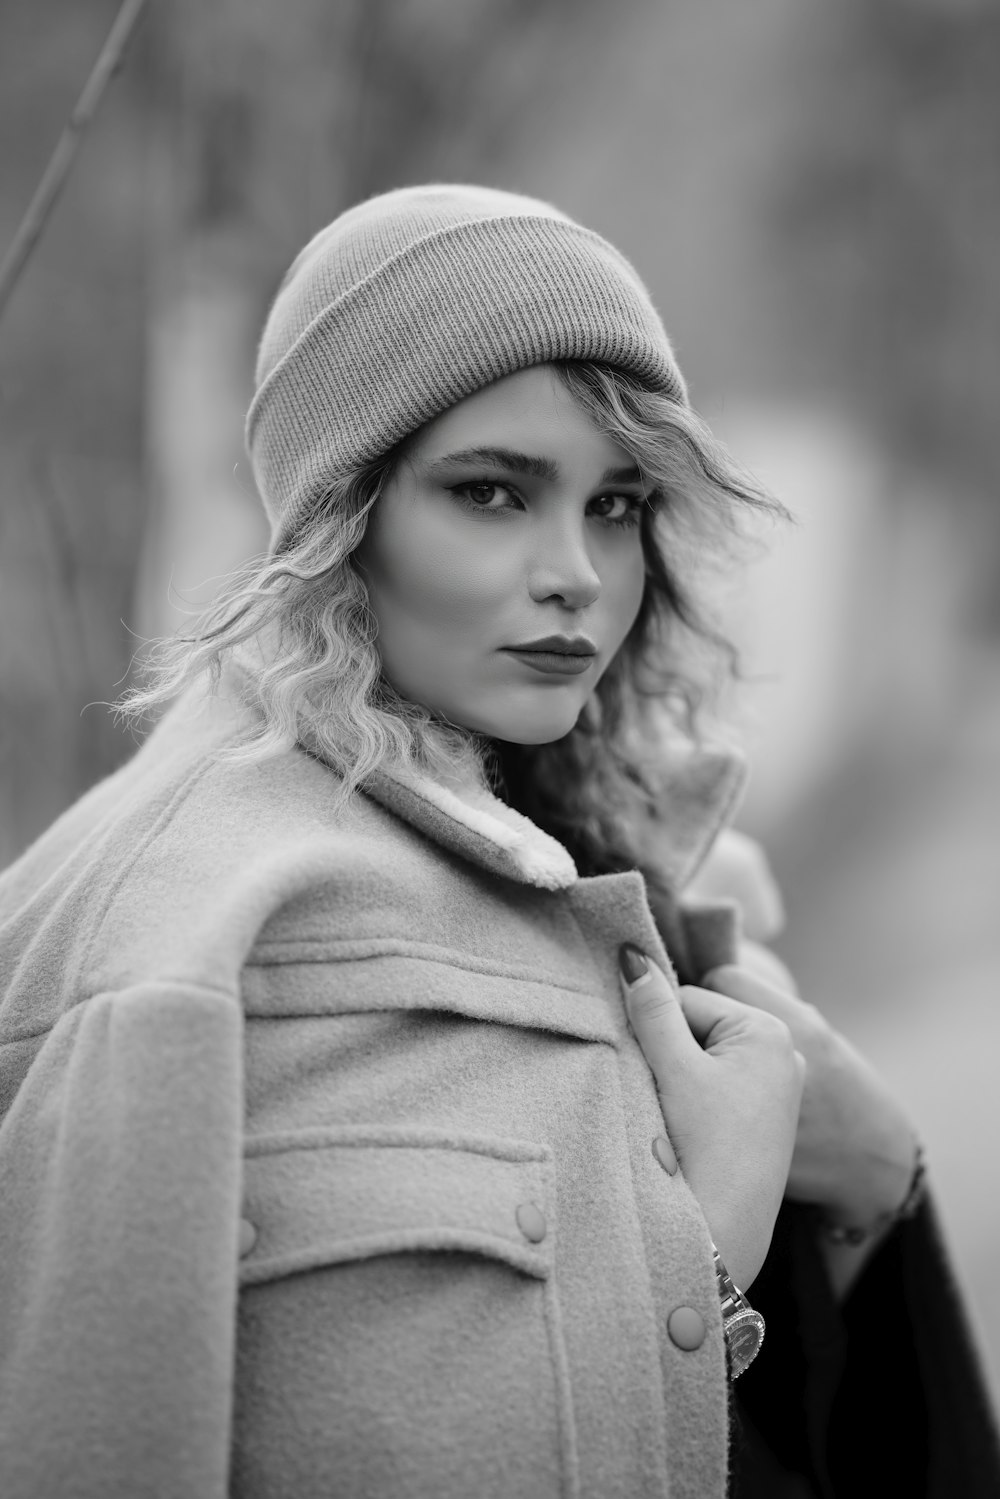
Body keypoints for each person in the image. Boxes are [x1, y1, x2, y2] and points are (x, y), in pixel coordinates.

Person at [0, 184, 996, 1499]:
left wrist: (866, 1182)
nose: (577, 570)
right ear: (337, 514)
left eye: (618, 505)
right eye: (491, 491)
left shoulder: (647, 877)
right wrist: (700, 1248)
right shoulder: (183, 947)